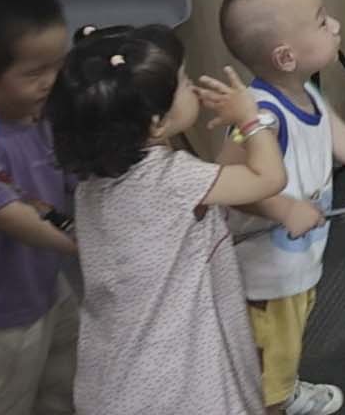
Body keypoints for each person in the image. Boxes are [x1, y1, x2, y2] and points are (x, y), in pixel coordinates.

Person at [46, 26, 287, 415]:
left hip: (118, 372)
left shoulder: (93, 184)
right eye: (184, 82)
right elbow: (269, 178)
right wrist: (250, 119)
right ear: (156, 123)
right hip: (177, 374)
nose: (193, 88)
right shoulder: (174, 180)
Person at [217, 0, 345, 415]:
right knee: (267, 361)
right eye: (321, 22)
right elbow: (225, 181)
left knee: (283, 347)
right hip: (264, 275)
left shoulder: (308, 95)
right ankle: (272, 402)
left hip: (296, 263)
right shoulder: (261, 115)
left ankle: (282, 388)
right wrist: (283, 208)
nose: (335, 25)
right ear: (286, 56)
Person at [0, 0, 77, 415]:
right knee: (2, 398)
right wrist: (87, 246)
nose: (52, 81)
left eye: (58, 65)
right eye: (35, 72)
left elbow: (73, 175)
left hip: (46, 286)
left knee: (65, 384)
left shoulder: (38, 113)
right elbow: (11, 216)